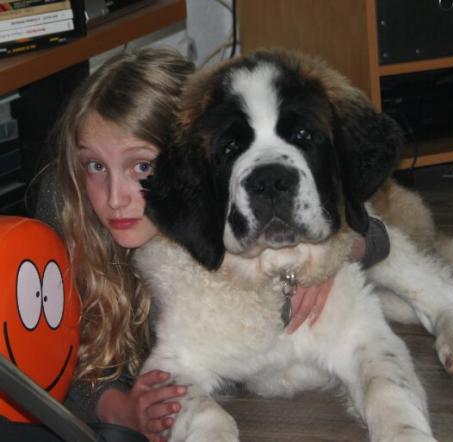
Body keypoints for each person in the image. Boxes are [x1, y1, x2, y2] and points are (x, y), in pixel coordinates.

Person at [44, 47, 390, 441]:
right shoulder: (66, 216)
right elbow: (49, 355)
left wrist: (322, 264)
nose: (115, 197)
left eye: (141, 167)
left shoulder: (203, 212)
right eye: (95, 166)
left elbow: (376, 236)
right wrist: (119, 409)